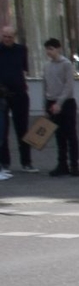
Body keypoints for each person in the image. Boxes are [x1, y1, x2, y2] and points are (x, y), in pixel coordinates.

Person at [40, 38, 78, 177]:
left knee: (70, 135)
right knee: (59, 135)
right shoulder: (46, 66)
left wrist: (59, 103)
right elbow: (45, 86)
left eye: (51, 49)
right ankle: (62, 164)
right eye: (47, 49)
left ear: (58, 49)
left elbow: (68, 86)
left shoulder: (66, 64)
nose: (49, 52)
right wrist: (46, 106)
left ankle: (74, 165)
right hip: (51, 101)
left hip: (66, 103)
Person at [0, 22, 24, 178]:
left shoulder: (21, 50)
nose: (7, 39)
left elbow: (23, 69)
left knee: (22, 128)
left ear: (14, 37)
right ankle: (4, 163)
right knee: (2, 131)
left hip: (19, 93)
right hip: (1, 95)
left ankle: (26, 162)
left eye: (10, 36)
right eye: (4, 36)